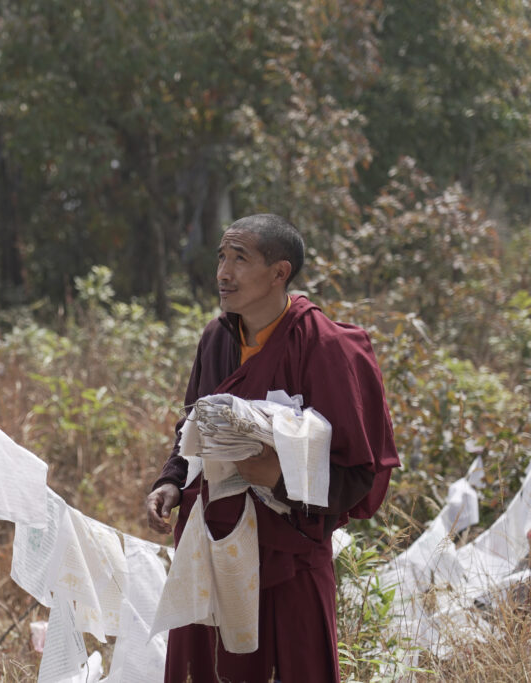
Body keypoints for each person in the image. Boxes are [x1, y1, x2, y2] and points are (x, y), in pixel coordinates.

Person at [145, 214, 399, 683]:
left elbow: (359, 473)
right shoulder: (217, 339)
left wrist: (278, 476)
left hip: (288, 560)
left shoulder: (326, 346)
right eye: (222, 257)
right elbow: (193, 427)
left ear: (280, 272)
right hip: (214, 546)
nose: (223, 272)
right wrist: (172, 480)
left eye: (240, 259)